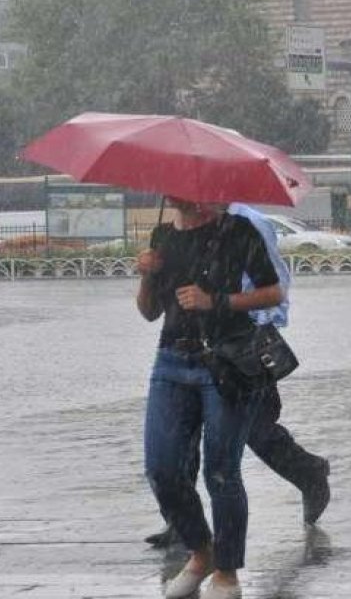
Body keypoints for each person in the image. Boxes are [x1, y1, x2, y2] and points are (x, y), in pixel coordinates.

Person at [145, 203, 331, 549]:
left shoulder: (247, 224)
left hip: (242, 351)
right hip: (195, 350)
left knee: (257, 431)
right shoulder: (177, 226)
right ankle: (181, 522)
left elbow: (276, 286)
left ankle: (308, 471)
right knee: (183, 435)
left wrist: (247, 339)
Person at [137, 198, 281, 599]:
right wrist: (146, 275)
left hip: (226, 362)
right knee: (162, 469)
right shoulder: (162, 236)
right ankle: (202, 553)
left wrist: (214, 301)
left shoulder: (237, 231)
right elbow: (149, 312)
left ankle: (227, 572)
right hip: (170, 362)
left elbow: (272, 292)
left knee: (221, 471)